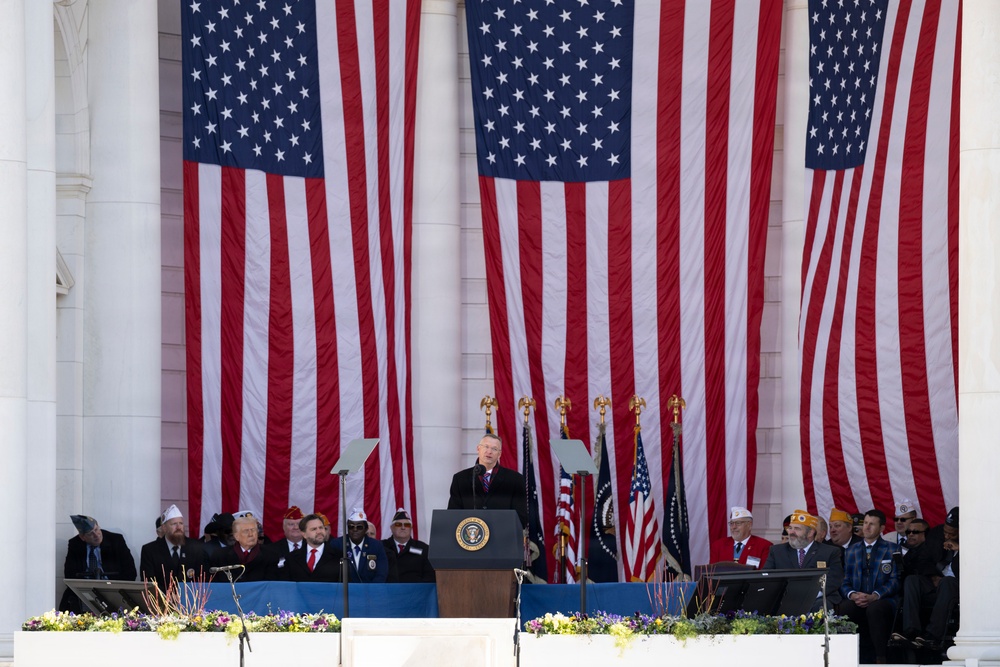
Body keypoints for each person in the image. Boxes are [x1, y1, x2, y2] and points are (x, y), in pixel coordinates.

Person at [838, 509, 900, 664]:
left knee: (875, 609)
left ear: (882, 528)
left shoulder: (892, 549)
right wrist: (852, 595)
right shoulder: (851, 550)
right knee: (845, 608)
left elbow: (895, 580)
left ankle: (881, 658)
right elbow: (844, 580)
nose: (866, 527)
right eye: (865, 523)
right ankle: (849, 656)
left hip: (882, 598)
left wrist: (874, 596)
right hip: (858, 597)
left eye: (872, 524)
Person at [896, 509, 959, 651]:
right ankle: (910, 630)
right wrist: (932, 576)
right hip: (936, 579)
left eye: (952, 533)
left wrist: (962, 549)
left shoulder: (974, 541)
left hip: (957, 584)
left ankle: (932, 634)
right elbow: (923, 559)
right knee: (912, 580)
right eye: (946, 532)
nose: (947, 536)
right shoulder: (936, 535)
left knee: (947, 582)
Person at [763, 509, 844, 611]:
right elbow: (766, 576)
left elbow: (834, 578)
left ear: (810, 533)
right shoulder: (777, 551)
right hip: (785, 596)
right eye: (790, 528)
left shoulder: (829, 552)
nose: (791, 532)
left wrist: (813, 594)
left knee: (820, 607)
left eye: (797, 529)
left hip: (818, 597)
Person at [58, 515, 137, 613]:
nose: (96, 535)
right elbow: (69, 574)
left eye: (96, 529)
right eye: (90, 534)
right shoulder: (75, 544)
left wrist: (114, 589)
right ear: (82, 537)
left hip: (112, 590)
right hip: (85, 592)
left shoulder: (116, 540)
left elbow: (130, 572)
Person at [447, 433, 528, 528]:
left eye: (494, 449)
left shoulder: (515, 479)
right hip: (471, 537)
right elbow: (452, 515)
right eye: (486, 446)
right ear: (478, 449)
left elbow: (521, 518)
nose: (489, 451)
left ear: (499, 454)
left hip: (502, 538)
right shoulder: (460, 479)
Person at [139, 504, 207, 590]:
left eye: (181, 523)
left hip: (190, 600)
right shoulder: (150, 550)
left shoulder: (196, 547)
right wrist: (167, 596)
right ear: (164, 528)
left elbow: (203, 579)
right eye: (174, 524)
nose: (179, 527)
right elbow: (148, 581)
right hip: (161, 601)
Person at [209, 515, 280, 581]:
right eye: (246, 531)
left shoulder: (270, 555)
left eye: (253, 530)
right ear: (236, 536)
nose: (251, 534)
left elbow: (272, 585)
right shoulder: (220, 556)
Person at [382, 508, 435, 583]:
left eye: (407, 525)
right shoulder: (382, 547)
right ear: (392, 528)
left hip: (415, 593)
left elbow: (429, 576)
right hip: (388, 592)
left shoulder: (423, 548)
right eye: (398, 524)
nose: (403, 528)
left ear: (411, 528)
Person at [285, 513, 342, 582]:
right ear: (304, 534)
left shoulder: (340, 557)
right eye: (314, 529)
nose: (319, 532)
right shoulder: (291, 558)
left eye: (321, 527)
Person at [336, 509, 388, 583]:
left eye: (359, 527)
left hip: (369, 592)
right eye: (351, 527)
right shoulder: (337, 544)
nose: (355, 529)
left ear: (365, 529)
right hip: (345, 592)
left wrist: (370, 592)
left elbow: (381, 574)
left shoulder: (376, 546)